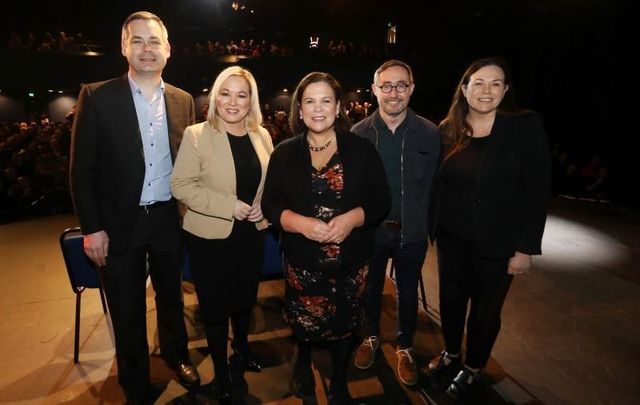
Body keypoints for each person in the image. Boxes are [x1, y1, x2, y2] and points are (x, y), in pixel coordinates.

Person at [69, 11, 200, 404]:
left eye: (154, 41)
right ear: (124, 47)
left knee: (172, 297)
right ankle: (135, 383)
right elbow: (80, 171)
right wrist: (91, 228)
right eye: (138, 41)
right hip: (117, 222)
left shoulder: (183, 100)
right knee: (126, 307)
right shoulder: (96, 95)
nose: (147, 49)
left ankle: (177, 356)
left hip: (166, 218)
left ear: (168, 50)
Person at [262, 72, 390, 404]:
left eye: (326, 101)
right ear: (300, 111)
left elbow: (381, 200)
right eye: (310, 102)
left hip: (351, 262)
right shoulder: (284, 153)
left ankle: (339, 379)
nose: (318, 109)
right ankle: (302, 362)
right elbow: (271, 203)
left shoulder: (362, 150)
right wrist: (298, 223)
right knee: (304, 322)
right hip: (303, 261)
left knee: (345, 325)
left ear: (337, 109)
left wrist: (353, 218)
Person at [427, 57, 550, 399]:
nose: (487, 90)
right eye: (478, 82)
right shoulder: (447, 129)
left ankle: (474, 366)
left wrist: (525, 248)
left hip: (497, 244)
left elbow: (537, 191)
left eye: (496, 83)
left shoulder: (524, 126)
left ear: (506, 90)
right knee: (450, 302)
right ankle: (452, 353)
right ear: (464, 89)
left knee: (484, 312)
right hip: (451, 240)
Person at [171, 66, 273, 404]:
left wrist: (264, 208)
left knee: (244, 302)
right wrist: (228, 205)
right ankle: (221, 371)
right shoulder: (197, 134)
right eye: (225, 93)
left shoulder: (262, 135)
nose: (233, 101)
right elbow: (180, 185)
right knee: (215, 309)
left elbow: (268, 185)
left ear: (251, 100)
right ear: (215, 97)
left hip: (250, 236)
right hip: (209, 240)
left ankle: (240, 354)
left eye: (241, 94)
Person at [351, 59, 441, 386]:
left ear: (411, 89)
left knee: (407, 292)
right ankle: (370, 337)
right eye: (386, 86)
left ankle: (404, 347)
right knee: (371, 288)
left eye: (401, 85)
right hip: (371, 233)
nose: (393, 93)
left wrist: (430, 229)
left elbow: (436, 188)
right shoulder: (358, 134)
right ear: (374, 90)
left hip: (412, 234)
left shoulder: (431, 134)